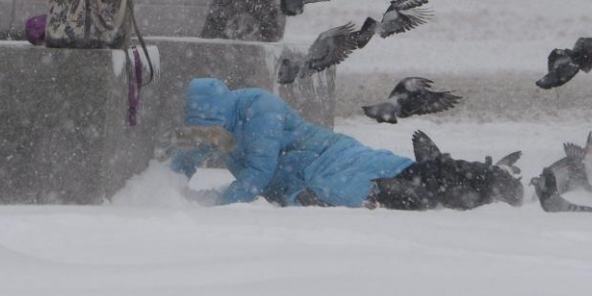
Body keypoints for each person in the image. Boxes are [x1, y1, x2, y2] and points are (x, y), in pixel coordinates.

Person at [171, 78, 524, 210]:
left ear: (224, 113)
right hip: (309, 182)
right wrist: (165, 187)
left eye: (212, 127)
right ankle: (476, 191)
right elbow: (189, 158)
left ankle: (494, 180)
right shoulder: (219, 126)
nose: (210, 137)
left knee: (411, 178)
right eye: (203, 129)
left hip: (332, 159)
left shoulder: (258, 108)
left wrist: (214, 204)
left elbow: (258, 173)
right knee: (399, 196)